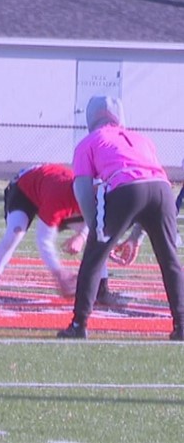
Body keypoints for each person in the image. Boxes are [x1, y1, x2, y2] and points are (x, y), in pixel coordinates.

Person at [58, 96, 184, 340]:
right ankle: (182, 325)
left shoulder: (88, 142)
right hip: (162, 190)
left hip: (126, 188)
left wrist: (96, 231)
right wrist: (135, 237)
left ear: (91, 117)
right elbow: (149, 183)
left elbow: (83, 191)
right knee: (170, 262)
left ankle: (79, 324)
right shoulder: (142, 139)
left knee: (94, 258)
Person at [0, 163, 127, 307]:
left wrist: (82, 235)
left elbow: (97, 226)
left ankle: (102, 290)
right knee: (15, 232)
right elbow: (44, 240)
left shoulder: (97, 196)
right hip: (24, 190)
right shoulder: (59, 196)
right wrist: (59, 273)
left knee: (98, 238)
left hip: (54, 191)